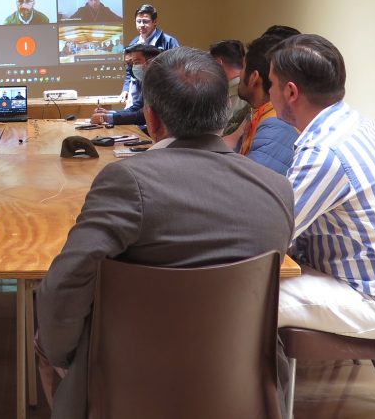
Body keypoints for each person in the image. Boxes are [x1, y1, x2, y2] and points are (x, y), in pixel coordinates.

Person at [36, 47, 294, 419]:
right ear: (222, 117)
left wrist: (62, 354)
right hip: (241, 383)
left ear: (151, 117)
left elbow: (64, 287)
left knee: (47, 334)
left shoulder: (127, 180)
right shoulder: (277, 189)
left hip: (128, 383)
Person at [268, 34, 375, 339]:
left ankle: (240, 387)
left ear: (290, 92)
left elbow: (269, 233)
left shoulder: (325, 152)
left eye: (271, 85)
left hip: (374, 301)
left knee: (244, 298)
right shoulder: (353, 123)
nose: (268, 94)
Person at [231, 32, 299, 174]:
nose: (239, 74)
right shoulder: (261, 114)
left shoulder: (276, 125)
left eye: (243, 67)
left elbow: (249, 186)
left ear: (254, 78)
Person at [119, 4, 180, 102]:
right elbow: (129, 70)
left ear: (154, 22)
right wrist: (126, 89)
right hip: (138, 94)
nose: (141, 25)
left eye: (145, 21)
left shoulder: (168, 41)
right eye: (138, 21)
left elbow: (178, 68)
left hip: (163, 93)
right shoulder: (133, 44)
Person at [89, 44, 161, 127]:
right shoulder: (147, 81)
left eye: (136, 62)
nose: (133, 67)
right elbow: (136, 107)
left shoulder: (162, 83)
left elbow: (142, 116)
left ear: (151, 62)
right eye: (132, 63)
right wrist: (109, 113)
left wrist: (105, 118)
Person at [209, 39, 249, 136]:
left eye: (209, 64)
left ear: (218, 63)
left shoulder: (236, 95)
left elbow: (223, 135)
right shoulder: (250, 90)